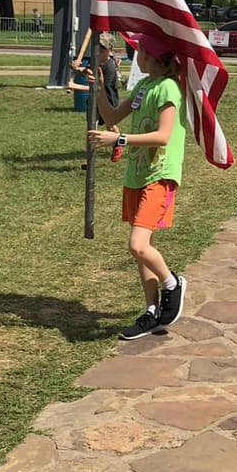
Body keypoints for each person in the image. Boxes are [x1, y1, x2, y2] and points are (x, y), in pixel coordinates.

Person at [87, 33, 189, 340]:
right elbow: (112, 116)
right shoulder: (145, 87)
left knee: (138, 245)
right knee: (141, 251)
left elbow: (163, 136)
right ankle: (151, 312)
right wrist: (99, 88)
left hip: (159, 176)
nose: (135, 56)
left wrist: (118, 139)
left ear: (152, 56)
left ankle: (173, 284)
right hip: (137, 175)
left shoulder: (169, 88)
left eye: (139, 51)